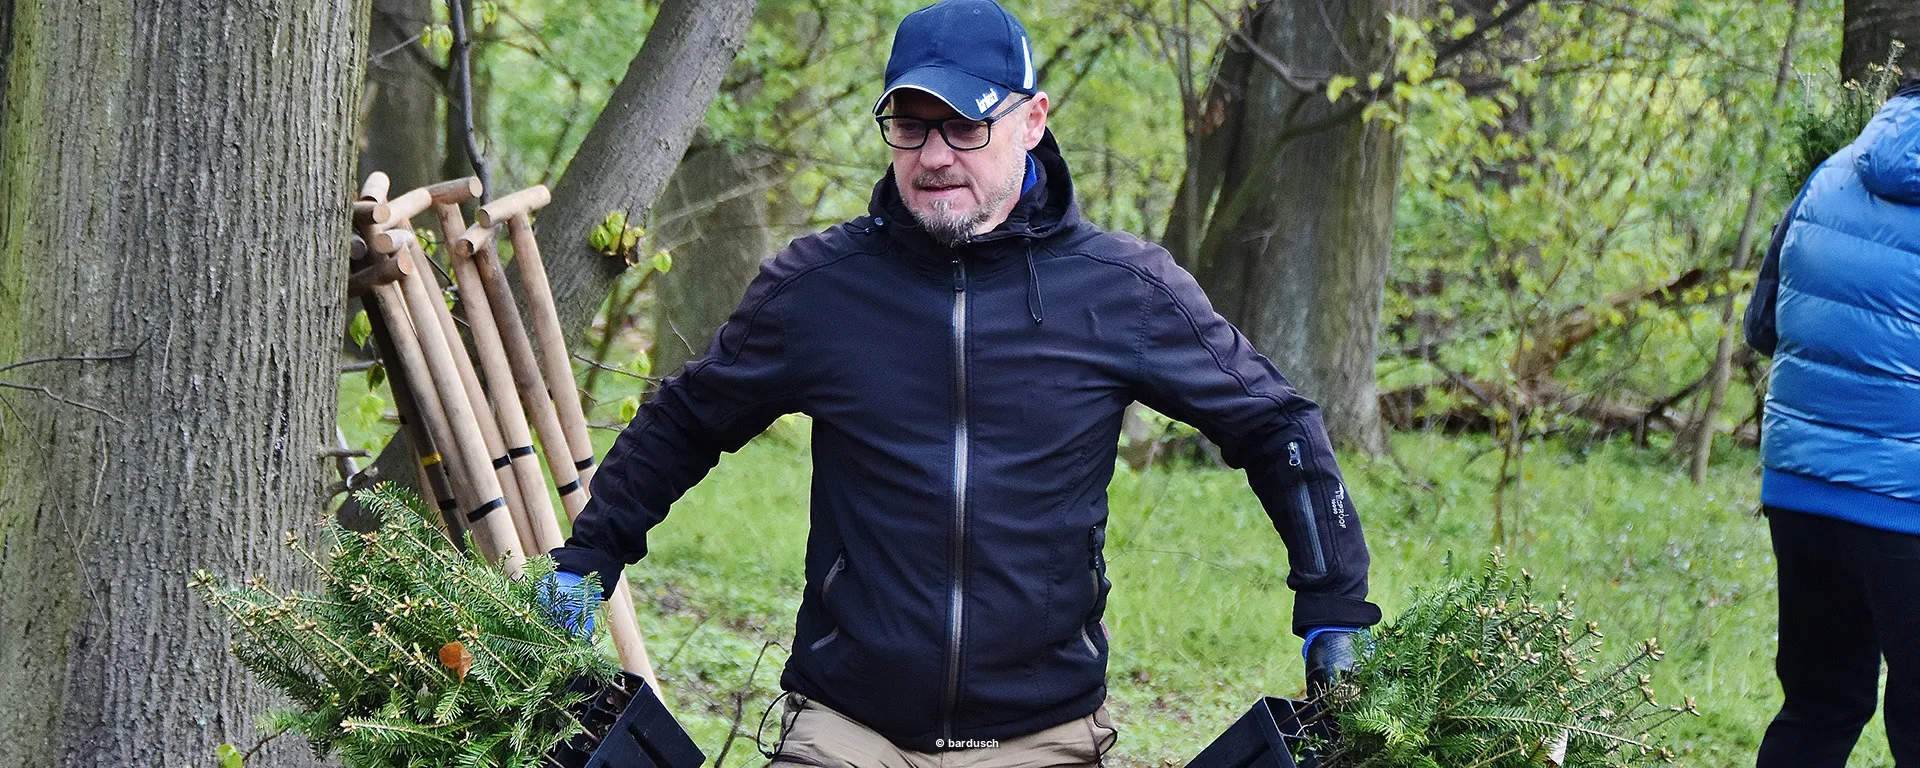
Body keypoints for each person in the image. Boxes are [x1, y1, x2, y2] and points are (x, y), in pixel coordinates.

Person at [545, 1, 1382, 764]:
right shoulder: (821, 289)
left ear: (1032, 121)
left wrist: (1336, 606)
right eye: (910, 128)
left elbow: (1275, 423)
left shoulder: (1124, 291)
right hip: (846, 727)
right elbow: (689, 419)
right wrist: (590, 556)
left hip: (1040, 732)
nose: (935, 157)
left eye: (964, 126)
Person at [1743, 72, 1920, 768]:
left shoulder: (1831, 172)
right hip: (1906, 504)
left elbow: (1764, 325)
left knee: (1819, 706)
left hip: (1801, 490)